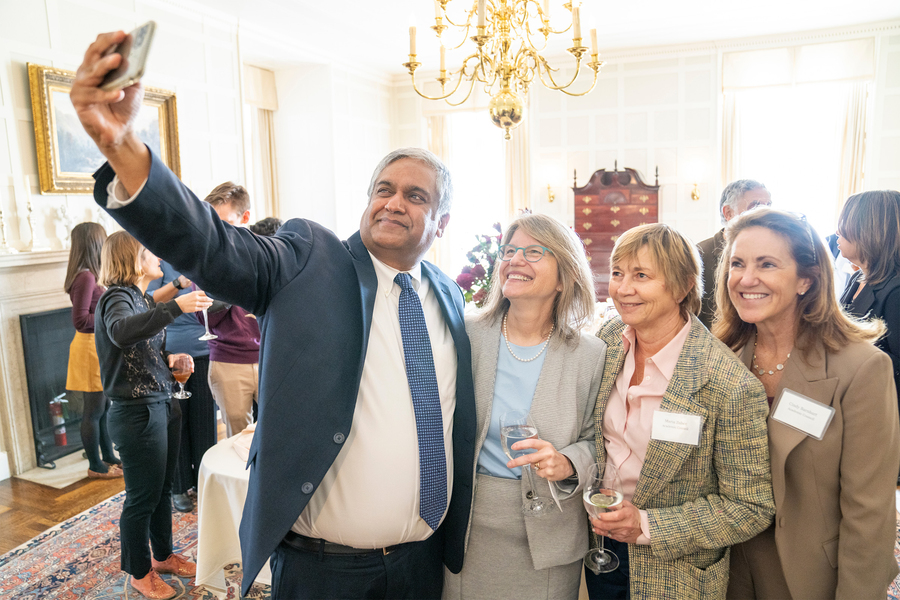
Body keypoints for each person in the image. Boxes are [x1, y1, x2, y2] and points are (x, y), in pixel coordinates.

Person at [71, 30, 476, 599]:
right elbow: (212, 245)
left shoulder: (448, 296)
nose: (393, 202)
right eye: (383, 189)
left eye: (416, 196)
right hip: (323, 571)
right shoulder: (310, 261)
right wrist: (122, 147)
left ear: (442, 221)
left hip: (422, 563)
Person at [715, 207, 899, 599]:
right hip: (725, 573)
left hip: (808, 576)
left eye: (767, 264)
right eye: (737, 264)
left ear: (806, 280)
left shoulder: (861, 368)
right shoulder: (721, 357)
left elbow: (869, 512)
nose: (747, 279)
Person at [587, 223, 774, 600]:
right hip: (600, 548)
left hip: (674, 572)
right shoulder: (607, 341)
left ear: (684, 285)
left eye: (641, 275)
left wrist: (646, 524)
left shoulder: (728, 384)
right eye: (618, 273)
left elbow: (750, 506)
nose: (623, 289)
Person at [444, 214, 606, 599]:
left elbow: (597, 440)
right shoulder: (465, 334)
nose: (515, 259)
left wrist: (567, 462)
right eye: (510, 251)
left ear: (565, 276)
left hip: (550, 533)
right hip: (470, 528)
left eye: (534, 252)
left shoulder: (590, 354)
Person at [95, 231, 212, 599]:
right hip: (136, 414)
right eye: (149, 252)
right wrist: (177, 305)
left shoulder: (139, 297)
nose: (158, 259)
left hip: (161, 402)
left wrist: (170, 360)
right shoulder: (115, 298)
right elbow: (120, 333)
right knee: (141, 497)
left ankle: (162, 556)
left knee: (162, 490)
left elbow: (138, 353)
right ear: (133, 260)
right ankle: (138, 572)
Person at [147, 262, 215, 513]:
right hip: (173, 353)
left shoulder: (201, 257)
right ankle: (179, 487)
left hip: (205, 351)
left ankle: (203, 481)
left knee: (204, 421)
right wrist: (178, 285)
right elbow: (152, 303)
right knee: (177, 422)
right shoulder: (158, 266)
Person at [196, 182, 260, 438]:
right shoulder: (204, 259)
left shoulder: (264, 252)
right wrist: (229, 286)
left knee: (281, 431)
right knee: (238, 439)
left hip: (269, 356)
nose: (216, 230)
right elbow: (199, 315)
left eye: (223, 221)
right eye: (211, 221)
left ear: (245, 217)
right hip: (228, 360)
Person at [63, 222, 122, 479]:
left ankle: (108, 455)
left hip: (97, 346)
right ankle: (95, 465)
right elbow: (80, 320)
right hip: (88, 349)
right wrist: (109, 319)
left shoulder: (93, 275)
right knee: (94, 410)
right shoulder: (85, 277)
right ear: (96, 243)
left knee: (104, 407)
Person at [837, 190, 900, 413]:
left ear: (869, 231)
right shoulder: (858, 277)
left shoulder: (896, 291)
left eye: (845, 224)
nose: (838, 231)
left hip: (882, 407)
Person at [697, 180, 771, 329]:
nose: (766, 214)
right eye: (756, 207)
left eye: (768, 206)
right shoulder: (699, 254)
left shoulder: (773, 253)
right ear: (728, 213)